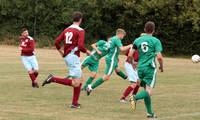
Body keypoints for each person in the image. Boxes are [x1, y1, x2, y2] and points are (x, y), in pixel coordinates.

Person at [42, 11, 91, 109]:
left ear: (73, 19)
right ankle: (52, 79)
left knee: (80, 78)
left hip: (69, 56)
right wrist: (87, 51)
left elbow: (56, 42)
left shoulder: (67, 29)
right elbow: (81, 46)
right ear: (80, 19)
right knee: (76, 83)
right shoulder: (80, 30)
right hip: (73, 57)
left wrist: (61, 51)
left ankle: (74, 103)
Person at [129, 21, 164, 118]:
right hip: (150, 68)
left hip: (140, 68)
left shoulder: (137, 40)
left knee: (146, 91)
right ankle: (134, 97)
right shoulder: (156, 41)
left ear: (144, 29)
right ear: (153, 30)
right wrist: (161, 66)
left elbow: (130, 55)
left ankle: (150, 113)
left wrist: (133, 64)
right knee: (148, 92)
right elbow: (160, 57)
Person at [86, 28, 132, 95]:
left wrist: (116, 57)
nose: (123, 37)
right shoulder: (117, 39)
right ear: (120, 34)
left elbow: (112, 49)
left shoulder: (112, 38)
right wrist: (130, 45)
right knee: (106, 77)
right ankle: (90, 87)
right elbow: (122, 49)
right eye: (123, 35)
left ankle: (127, 78)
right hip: (111, 59)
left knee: (117, 70)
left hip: (112, 58)